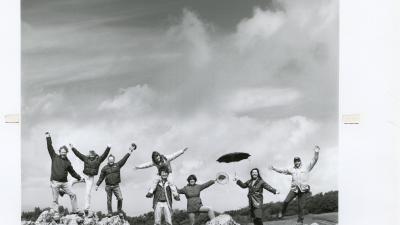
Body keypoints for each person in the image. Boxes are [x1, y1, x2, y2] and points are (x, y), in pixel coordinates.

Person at [270, 145, 320, 225]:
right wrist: (274, 169)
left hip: (303, 190)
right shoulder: (292, 170)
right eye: (295, 161)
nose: (297, 162)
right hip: (294, 189)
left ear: (300, 161)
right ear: (294, 162)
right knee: (286, 201)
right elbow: (283, 171)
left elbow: (314, 160)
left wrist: (316, 152)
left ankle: (300, 221)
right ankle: (282, 213)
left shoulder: (306, 168)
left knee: (301, 207)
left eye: (298, 161)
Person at [45, 132, 84, 215]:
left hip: (65, 183)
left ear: (66, 153)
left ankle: (75, 210)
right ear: (60, 152)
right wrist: (48, 137)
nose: (63, 153)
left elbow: (72, 172)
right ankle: (55, 213)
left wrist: (79, 178)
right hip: (55, 182)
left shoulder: (68, 162)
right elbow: (49, 147)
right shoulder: (54, 157)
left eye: (65, 152)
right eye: (62, 152)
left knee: (73, 194)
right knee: (55, 199)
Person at [95, 144, 136, 217]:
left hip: (116, 186)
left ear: (113, 160)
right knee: (109, 200)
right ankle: (110, 212)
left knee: (120, 198)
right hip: (108, 186)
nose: (111, 161)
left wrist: (130, 152)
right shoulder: (104, 168)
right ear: (108, 160)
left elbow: (124, 159)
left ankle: (119, 210)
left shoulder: (117, 165)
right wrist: (97, 185)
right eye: (109, 159)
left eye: (112, 159)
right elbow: (101, 177)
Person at [69, 143, 111, 214]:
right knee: (71, 182)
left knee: (88, 193)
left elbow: (104, 155)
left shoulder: (98, 159)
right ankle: (63, 190)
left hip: (90, 178)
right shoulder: (85, 158)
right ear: (89, 154)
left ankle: (86, 208)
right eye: (90, 154)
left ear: (94, 155)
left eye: (92, 155)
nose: (91, 156)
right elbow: (78, 154)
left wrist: (108, 148)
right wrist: (72, 148)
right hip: (83, 176)